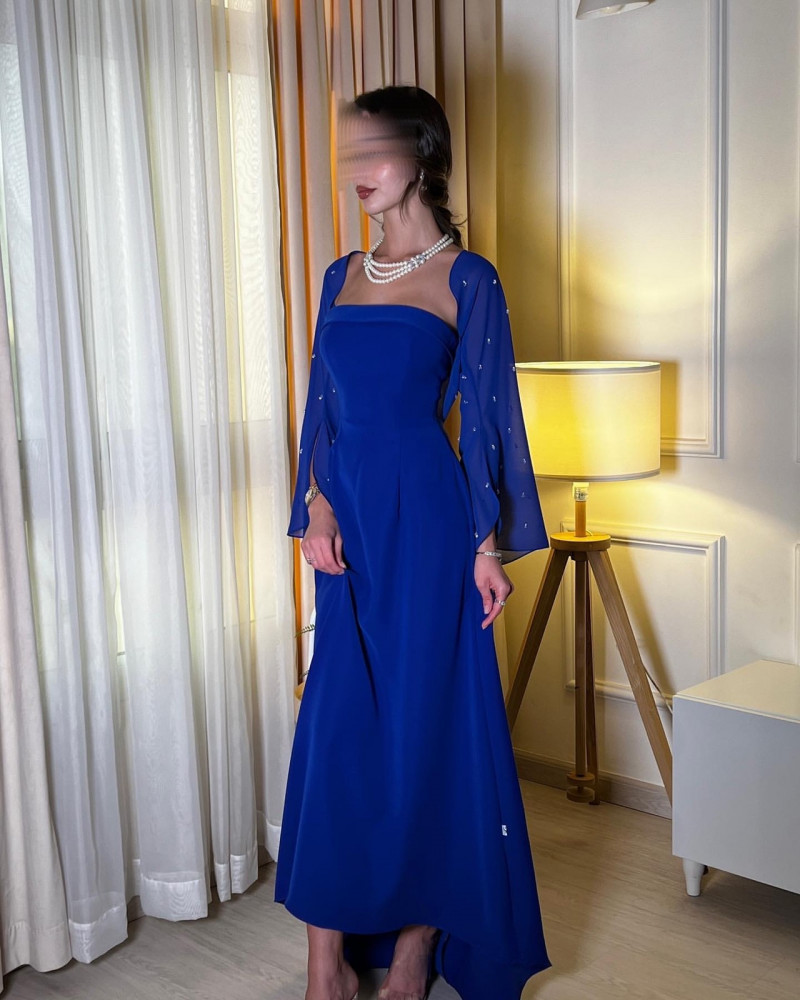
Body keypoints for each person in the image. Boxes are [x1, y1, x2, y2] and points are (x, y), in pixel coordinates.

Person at [276, 85, 551, 1000]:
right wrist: (315, 502)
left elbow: (490, 425)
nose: (357, 170)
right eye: (349, 153)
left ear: (423, 154)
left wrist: (485, 547)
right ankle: (325, 961)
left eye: (376, 150)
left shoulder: (469, 278)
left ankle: (415, 947)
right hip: (349, 527)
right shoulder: (338, 275)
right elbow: (321, 409)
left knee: (427, 731)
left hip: (428, 528)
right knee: (337, 730)